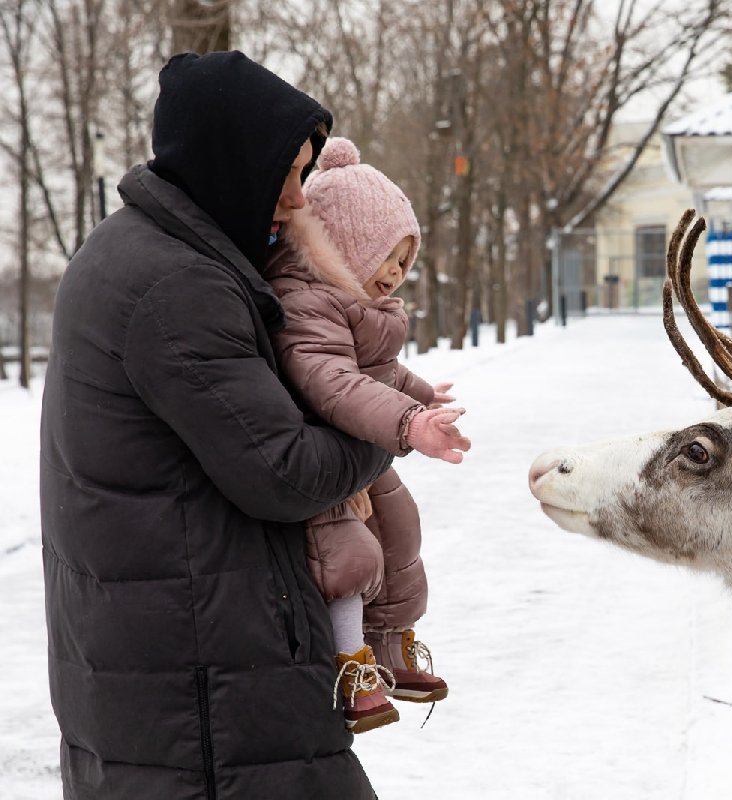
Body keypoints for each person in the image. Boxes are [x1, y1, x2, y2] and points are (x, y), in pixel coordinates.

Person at [40, 52, 393, 799]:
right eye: (286, 174)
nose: (298, 201)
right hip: (208, 689)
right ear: (232, 163)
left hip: (167, 668)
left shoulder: (134, 250)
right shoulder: (177, 284)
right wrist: (379, 410)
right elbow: (286, 472)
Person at [264, 137, 469, 733]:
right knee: (348, 554)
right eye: (387, 257)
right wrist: (408, 422)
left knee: (402, 529)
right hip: (318, 455)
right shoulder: (305, 301)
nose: (397, 274)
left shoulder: (357, 304)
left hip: (361, 451)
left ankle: (387, 644)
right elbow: (331, 380)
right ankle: (349, 660)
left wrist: (422, 394)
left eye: (406, 261)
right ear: (346, 247)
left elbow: (380, 372)